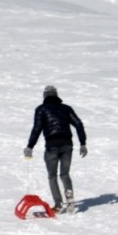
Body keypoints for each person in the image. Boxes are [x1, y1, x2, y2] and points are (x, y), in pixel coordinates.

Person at [24, 85, 87, 213]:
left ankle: (58, 204)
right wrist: (83, 143)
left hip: (51, 145)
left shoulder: (41, 109)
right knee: (64, 174)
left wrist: (30, 146)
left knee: (52, 176)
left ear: (45, 96)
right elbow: (78, 124)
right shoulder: (66, 108)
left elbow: (37, 128)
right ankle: (69, 195)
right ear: (56, 95)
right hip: (67, 144)